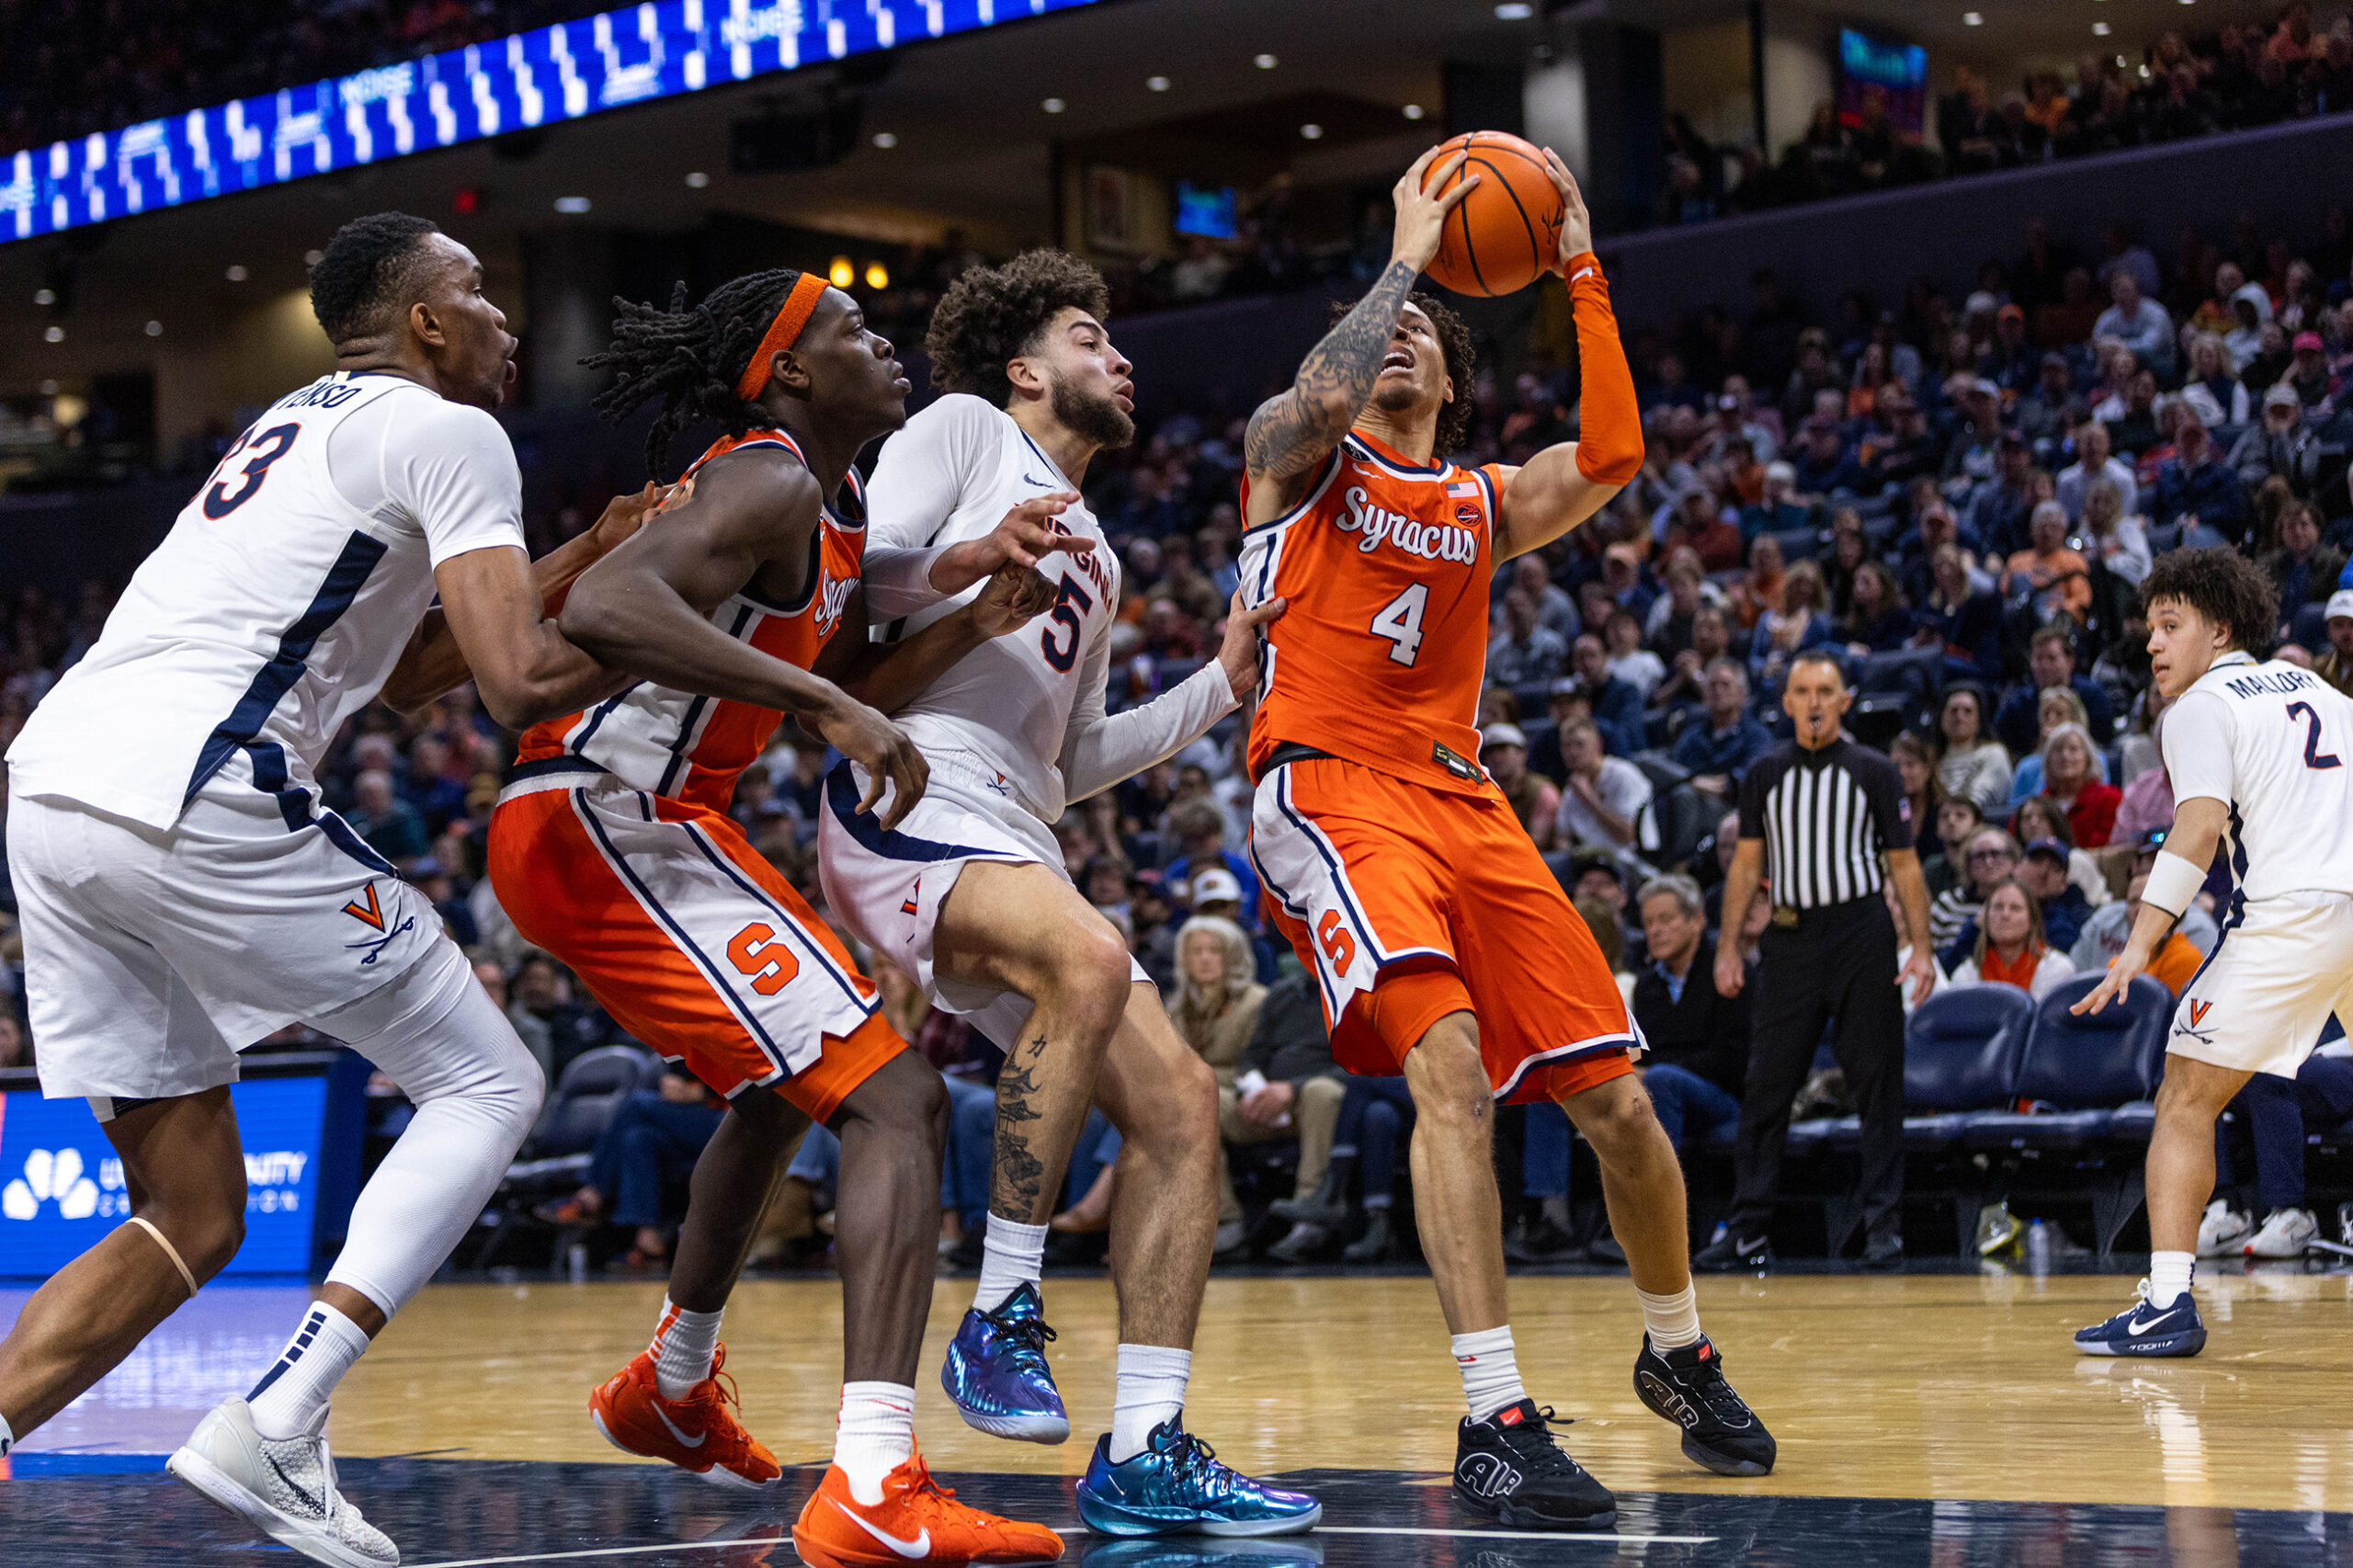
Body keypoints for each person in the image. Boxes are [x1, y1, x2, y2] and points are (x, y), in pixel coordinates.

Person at [0, 212, 654, 1565]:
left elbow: (408, 671)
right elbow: (520, 681)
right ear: (425, 320)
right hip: (196, 780)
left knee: (191, 1213)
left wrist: (587, 551)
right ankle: (281, 1418)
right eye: (479, 292)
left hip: (54, 788)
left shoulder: (296, 420)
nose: (504, 320)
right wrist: (682, 627)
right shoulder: (452, 429)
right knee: (490, 1082)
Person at [487, 266, 1071, 1563]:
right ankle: (872, 1481)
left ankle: (672, 1381)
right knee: (899, 1100)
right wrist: (826, 706)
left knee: (789, 1087)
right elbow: (605, 603)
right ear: (791, 370)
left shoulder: (836, 509)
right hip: (605, 808)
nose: (885, 339)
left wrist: (969, 620)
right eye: (853, 329)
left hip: (647, 819)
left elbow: (844, 678)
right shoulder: (768, 476)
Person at [1237, 143, 1773, 1528]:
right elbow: (1312, 397)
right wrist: (1405, 259)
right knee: (1454, 1074)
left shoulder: (1483, 500)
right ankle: (1494, 1418)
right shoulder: (1298, 463)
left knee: (1620, 1105)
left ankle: (1676, 1349)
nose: (1398, 338)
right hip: (1332, 783)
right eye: (1384, 329)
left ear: (1456, 381)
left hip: (1464, 802)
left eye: (1424, 333)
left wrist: (1580, 265)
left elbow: (1611, 455)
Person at [813, 248, 1314, 1535]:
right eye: (1090, 336)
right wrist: (971, 557)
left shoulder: (1098, 548)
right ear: (1025, 368)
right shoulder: (965, 429)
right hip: (909, 784)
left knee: (1183, 1105)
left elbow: (1072, 759)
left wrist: (1219, 687)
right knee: (1086, 963)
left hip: (1013, 815)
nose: (1121, 356)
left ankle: (1144, 1446)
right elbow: (843, 584)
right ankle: (999, 1311)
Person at [2073, 549, 2353, 1358]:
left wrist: (2138, 944)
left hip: (2290, 916)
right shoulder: (2320, 688)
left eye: (2171, 625)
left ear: (2221, 629)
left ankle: (2167, 1303)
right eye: (2149, 628)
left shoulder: (2199, 707)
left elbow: (2196, 830)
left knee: (2185, 1097)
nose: (2153, 644)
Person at [1698, 653, 1937, 1273]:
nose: (1813, 702)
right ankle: (1748, 1229)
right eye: (1802, 691)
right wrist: (1728, 946)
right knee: (1766, 1085)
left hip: (1861, 934)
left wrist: (1922, 947)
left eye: (1825, 691)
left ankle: (1884, 1228)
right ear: (1785, 703)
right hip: (1790, 939)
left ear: (1844, 701)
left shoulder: (1874, 770)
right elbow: (1746, 864)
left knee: (1877, 1084)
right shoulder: (1764, 772)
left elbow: (1905, 864)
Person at [1631, 876, 1749, 1156]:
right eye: (1648, 923)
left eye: (1665, 919)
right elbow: (1642, 1054)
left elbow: (1732, 1058)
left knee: (1661, 1080)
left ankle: (1659, 1185)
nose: (1655, 930)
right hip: (1658, 1085)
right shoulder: (1646, 986)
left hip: (1721, 1095)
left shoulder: (1728, 971)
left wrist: (1655, 1071)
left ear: (1697, 920)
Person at [1943, 879, 2075, 1000]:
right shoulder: (1966, 976)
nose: (2005, 915)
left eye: (2015, 908)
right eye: (1998, 907)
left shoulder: (2057, 968)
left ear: (2032, 919)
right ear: (1985, 918)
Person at [1554, 717, 1653, 868]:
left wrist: (1589, 799)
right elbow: (1562, 835)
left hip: (1630, 862)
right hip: (1589, 863)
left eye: (1579, 744)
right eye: (1566, 746)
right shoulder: (1571, 789)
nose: (1572, 752)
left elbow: (1627, 836)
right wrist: (1567, 852)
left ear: (1598, 745)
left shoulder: (1623, 776)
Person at [1670, 658, 1770, 805]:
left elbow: (1750, 782)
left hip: (1732, 808)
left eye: (1725, 685)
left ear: (1742, 694)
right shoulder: (1692, 735)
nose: (1718, 691)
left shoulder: (1757, 736)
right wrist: (1694, 782)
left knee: (1685, 795)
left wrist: (1700, 783)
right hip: (1686, 802)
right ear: (1704, 695)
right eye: (1712, 685)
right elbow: (1673, 771)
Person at [2037, 721, 2120, 847]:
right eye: (2058, 750)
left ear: (2088, 758)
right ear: (2048, 760)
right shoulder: (2038, 805)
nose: (2065, 756)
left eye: (2073, 749)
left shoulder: (2110, 799)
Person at [1934, 684, 2013, 812]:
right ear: (1941, 717)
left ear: (1979, 719)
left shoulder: (1993, 754)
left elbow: (1980, 801)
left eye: (1968, 711)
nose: (1959, 717)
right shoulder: (1929, 759)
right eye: (1953, 710)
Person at [1483, 722, 1561, 847]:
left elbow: (1537, 841)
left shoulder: (1541, 791)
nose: (1496, 757)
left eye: (1503, 749)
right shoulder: (1486, 793)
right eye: (1489, 752)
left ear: (1522, 754)